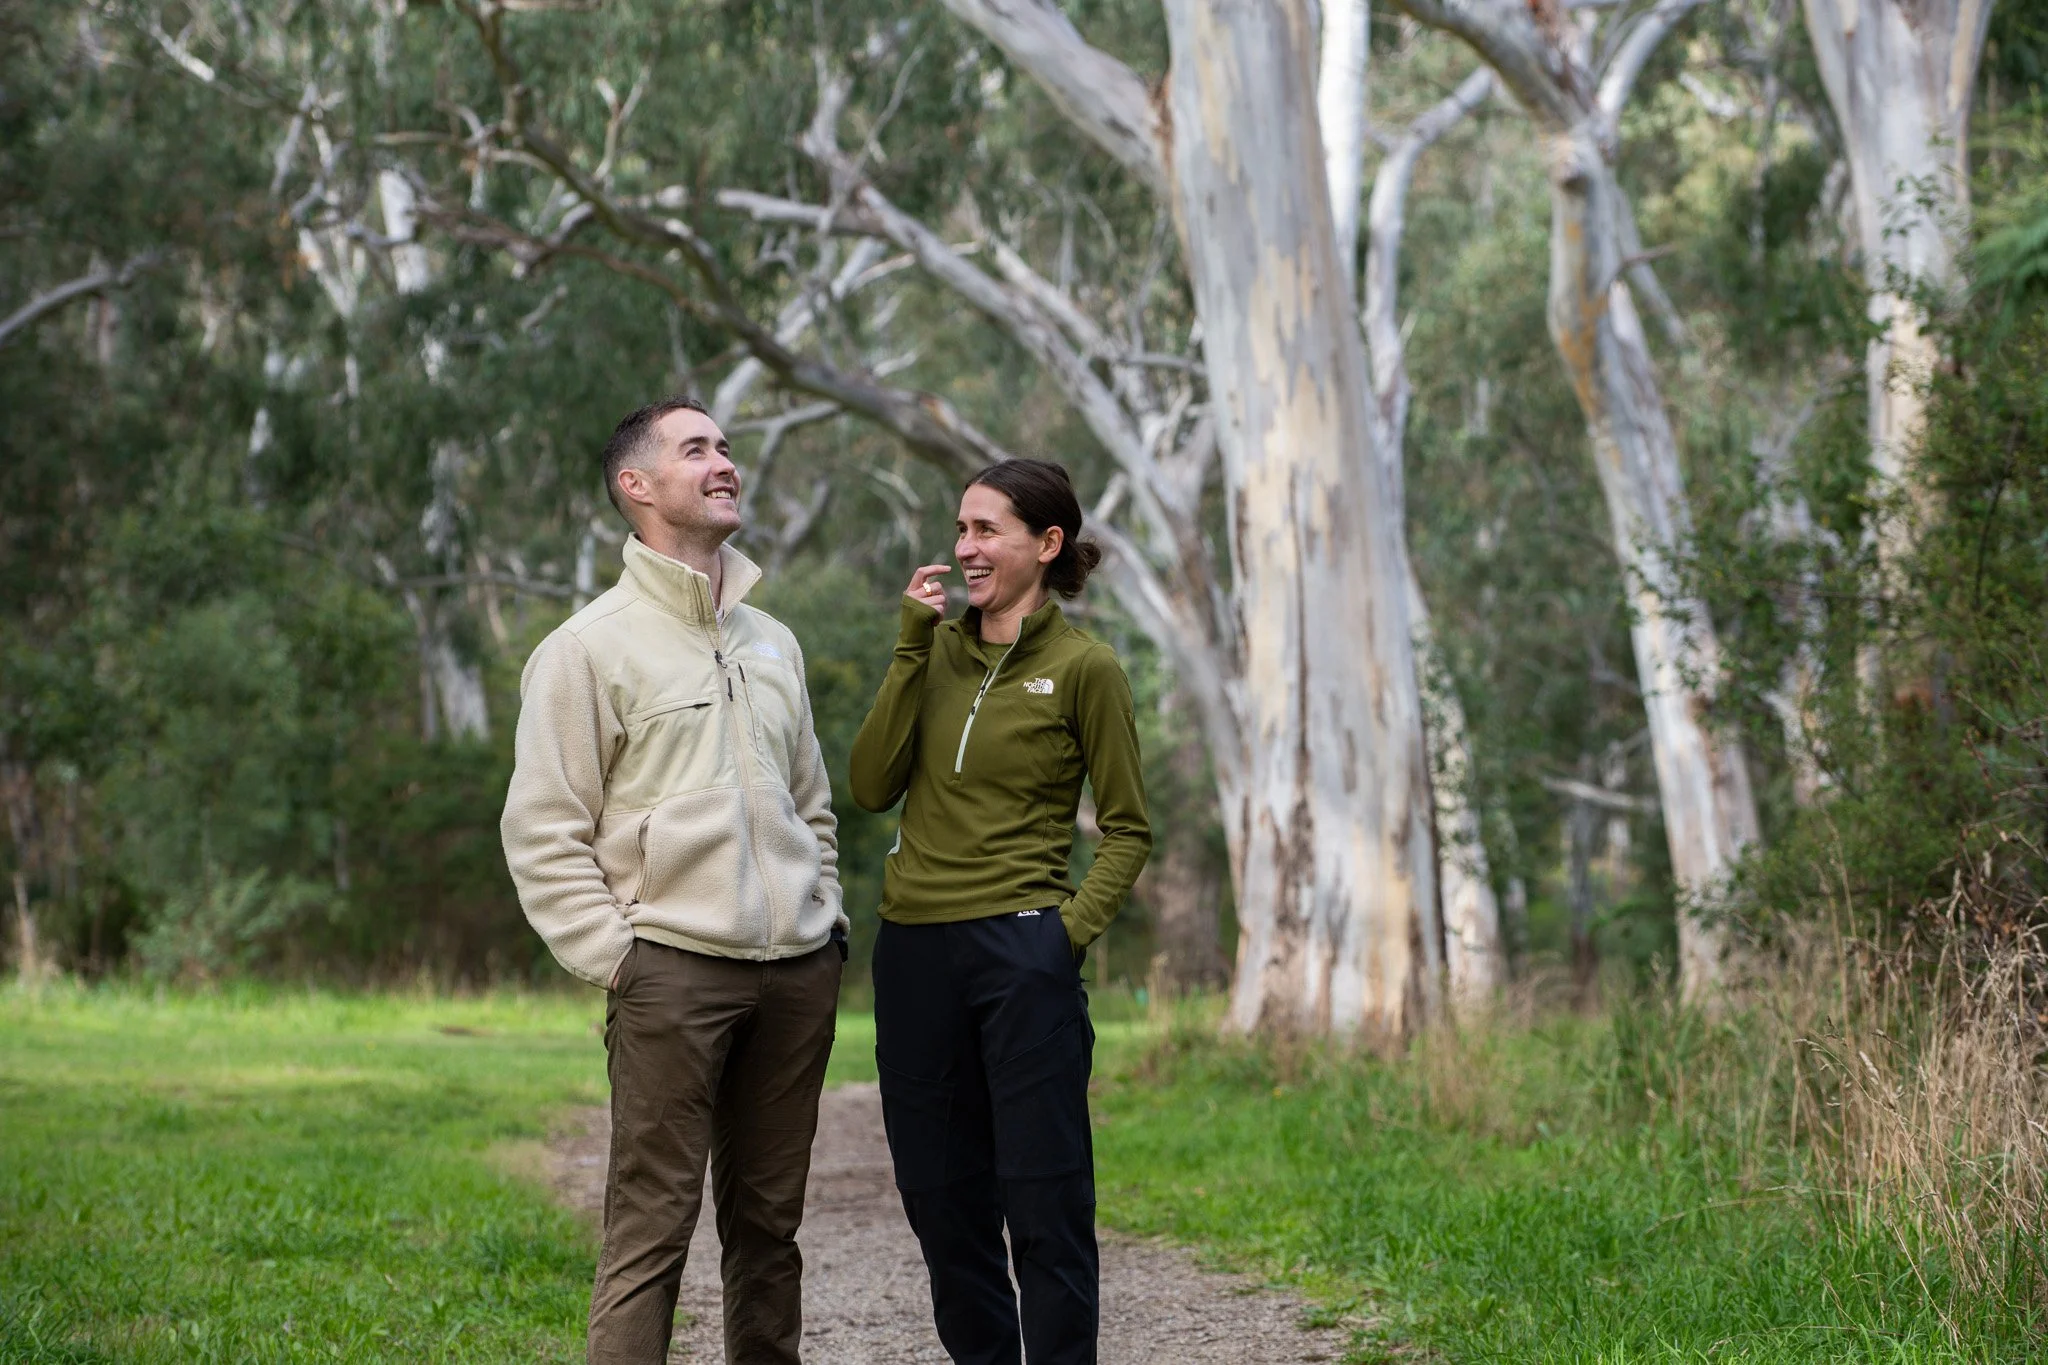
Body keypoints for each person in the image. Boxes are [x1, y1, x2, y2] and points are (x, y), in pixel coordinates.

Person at [500, 397, 846, 1365]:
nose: (724, 463)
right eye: (697, 449)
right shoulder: (587, 647)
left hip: (796, 973)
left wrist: (826, 921)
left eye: (727, 448)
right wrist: (621, 960)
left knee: (769, 1235)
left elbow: (809, 803)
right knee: (649, 1233)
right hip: (671, 972)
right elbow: (543, 826)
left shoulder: (774, 642)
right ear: (636, 485)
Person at [849, 458, 1153, 1365]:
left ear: (1046, 544)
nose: (964, 548)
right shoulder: (931, 652)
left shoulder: (1085, 669)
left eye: (985, 530)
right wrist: (911, 643)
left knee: (1045, 1200)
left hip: (1023, 953)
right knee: (941, 1199)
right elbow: (870, 785)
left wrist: (1058, 937)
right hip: (912, 955)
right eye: (961, 529)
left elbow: (1130, 829)